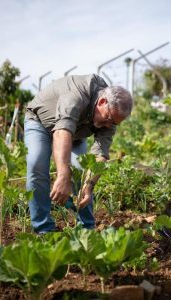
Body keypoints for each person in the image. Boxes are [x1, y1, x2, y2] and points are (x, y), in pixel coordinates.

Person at [24, 74, 133, 234]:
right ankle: (43, 229)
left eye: (114, 123)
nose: (109, 125)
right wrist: (63, 175)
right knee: (37, 164)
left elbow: (100, 155)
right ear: (102, 102)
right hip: (40, 122)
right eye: (109, 119)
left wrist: (88, 187)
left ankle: (86, 229)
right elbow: (62, 132)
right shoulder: (76, 94)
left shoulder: (110, 117)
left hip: (75, 133)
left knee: (82, 172)